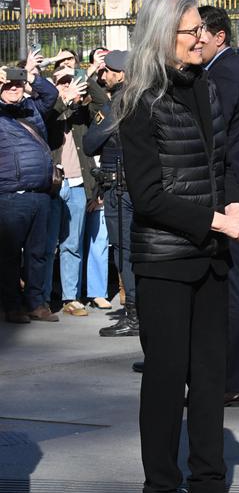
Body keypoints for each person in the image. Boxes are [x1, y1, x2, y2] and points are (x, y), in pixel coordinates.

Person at [117, 0, 239, 493]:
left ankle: (208, 491)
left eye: (203, 30)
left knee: (209, 379)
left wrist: (231, 210)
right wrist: (214, 220)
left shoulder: (205, 88)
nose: (202, 38)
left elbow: (217, 168)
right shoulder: (140, 102)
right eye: (190, 32)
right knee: (165, 381)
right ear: (164, 37)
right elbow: (150, 196)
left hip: (209, 254)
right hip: (163, 262)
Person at [199, 5, 239, 406]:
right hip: (234, 187)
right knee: (235, 282)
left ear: (219, 36)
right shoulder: (229, 69)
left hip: (229, 192)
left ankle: (234, 379)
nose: (194, 40)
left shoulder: (222, 74)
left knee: (230, 286)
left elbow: (214, 136)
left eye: (200, 33)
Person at [83, 50, 140, 338]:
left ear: (121, 74)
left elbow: (90, 143)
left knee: (125, 251)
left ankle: (134, 314)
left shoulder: (115, 103)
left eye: (108, 71)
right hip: (142, 187)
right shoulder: (148, 99)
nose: (104, 76)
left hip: (120, 189)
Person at [0, 53, 59, 324]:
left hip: (41, 195)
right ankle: (12, 306)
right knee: (10, 255)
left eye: (17, 85)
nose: (14, 89)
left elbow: (51, 94)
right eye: (8, 85)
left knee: (38, 253)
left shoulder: (31, 108)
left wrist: (31, 76)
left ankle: (37, 303)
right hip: (12, 195)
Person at [44, 66, 96, 316]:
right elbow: (48, 122)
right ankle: (41, 298)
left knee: (72, 244)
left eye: (70, 82)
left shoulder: (81, 113)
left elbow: (100, 107)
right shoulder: (46, 111)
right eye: (61, 82)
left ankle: (70, 297)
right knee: (45, 244)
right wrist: (62, 99)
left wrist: (87, 80)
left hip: (76, 185)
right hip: (52, 187)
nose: (67, 86)